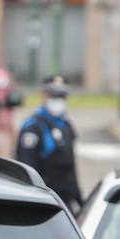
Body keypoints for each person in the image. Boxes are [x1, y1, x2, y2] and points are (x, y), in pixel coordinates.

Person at [16, 75, 81, 211]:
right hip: (45, 201)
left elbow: (70, 165)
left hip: (66, 199)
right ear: (43, 95)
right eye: (53, 95)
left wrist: (79, 197)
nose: (58, 100)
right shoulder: (33, 127)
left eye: (61, 96)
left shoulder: (66, 124)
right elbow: (27, 168)